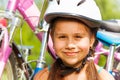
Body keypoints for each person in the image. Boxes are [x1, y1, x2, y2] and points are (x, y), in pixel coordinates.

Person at [34, 0, 115, 80]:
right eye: (62, 37)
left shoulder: (104, 78)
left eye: (78, 37)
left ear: (91, 39)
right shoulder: (42, 77)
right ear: (52, 38)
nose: (70, 45)